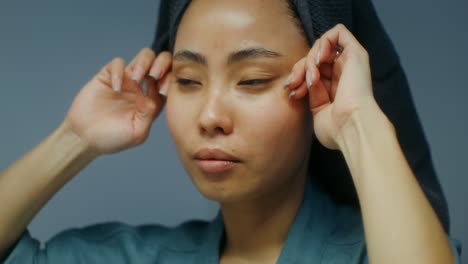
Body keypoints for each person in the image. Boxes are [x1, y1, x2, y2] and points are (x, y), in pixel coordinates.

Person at [0, 0, 462, 263]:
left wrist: (358, 120)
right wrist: (75, 137)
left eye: (253, 80)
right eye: (187, 81)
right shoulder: (137, 258)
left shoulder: (385, 251)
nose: (210, 115)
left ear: (323, 83)